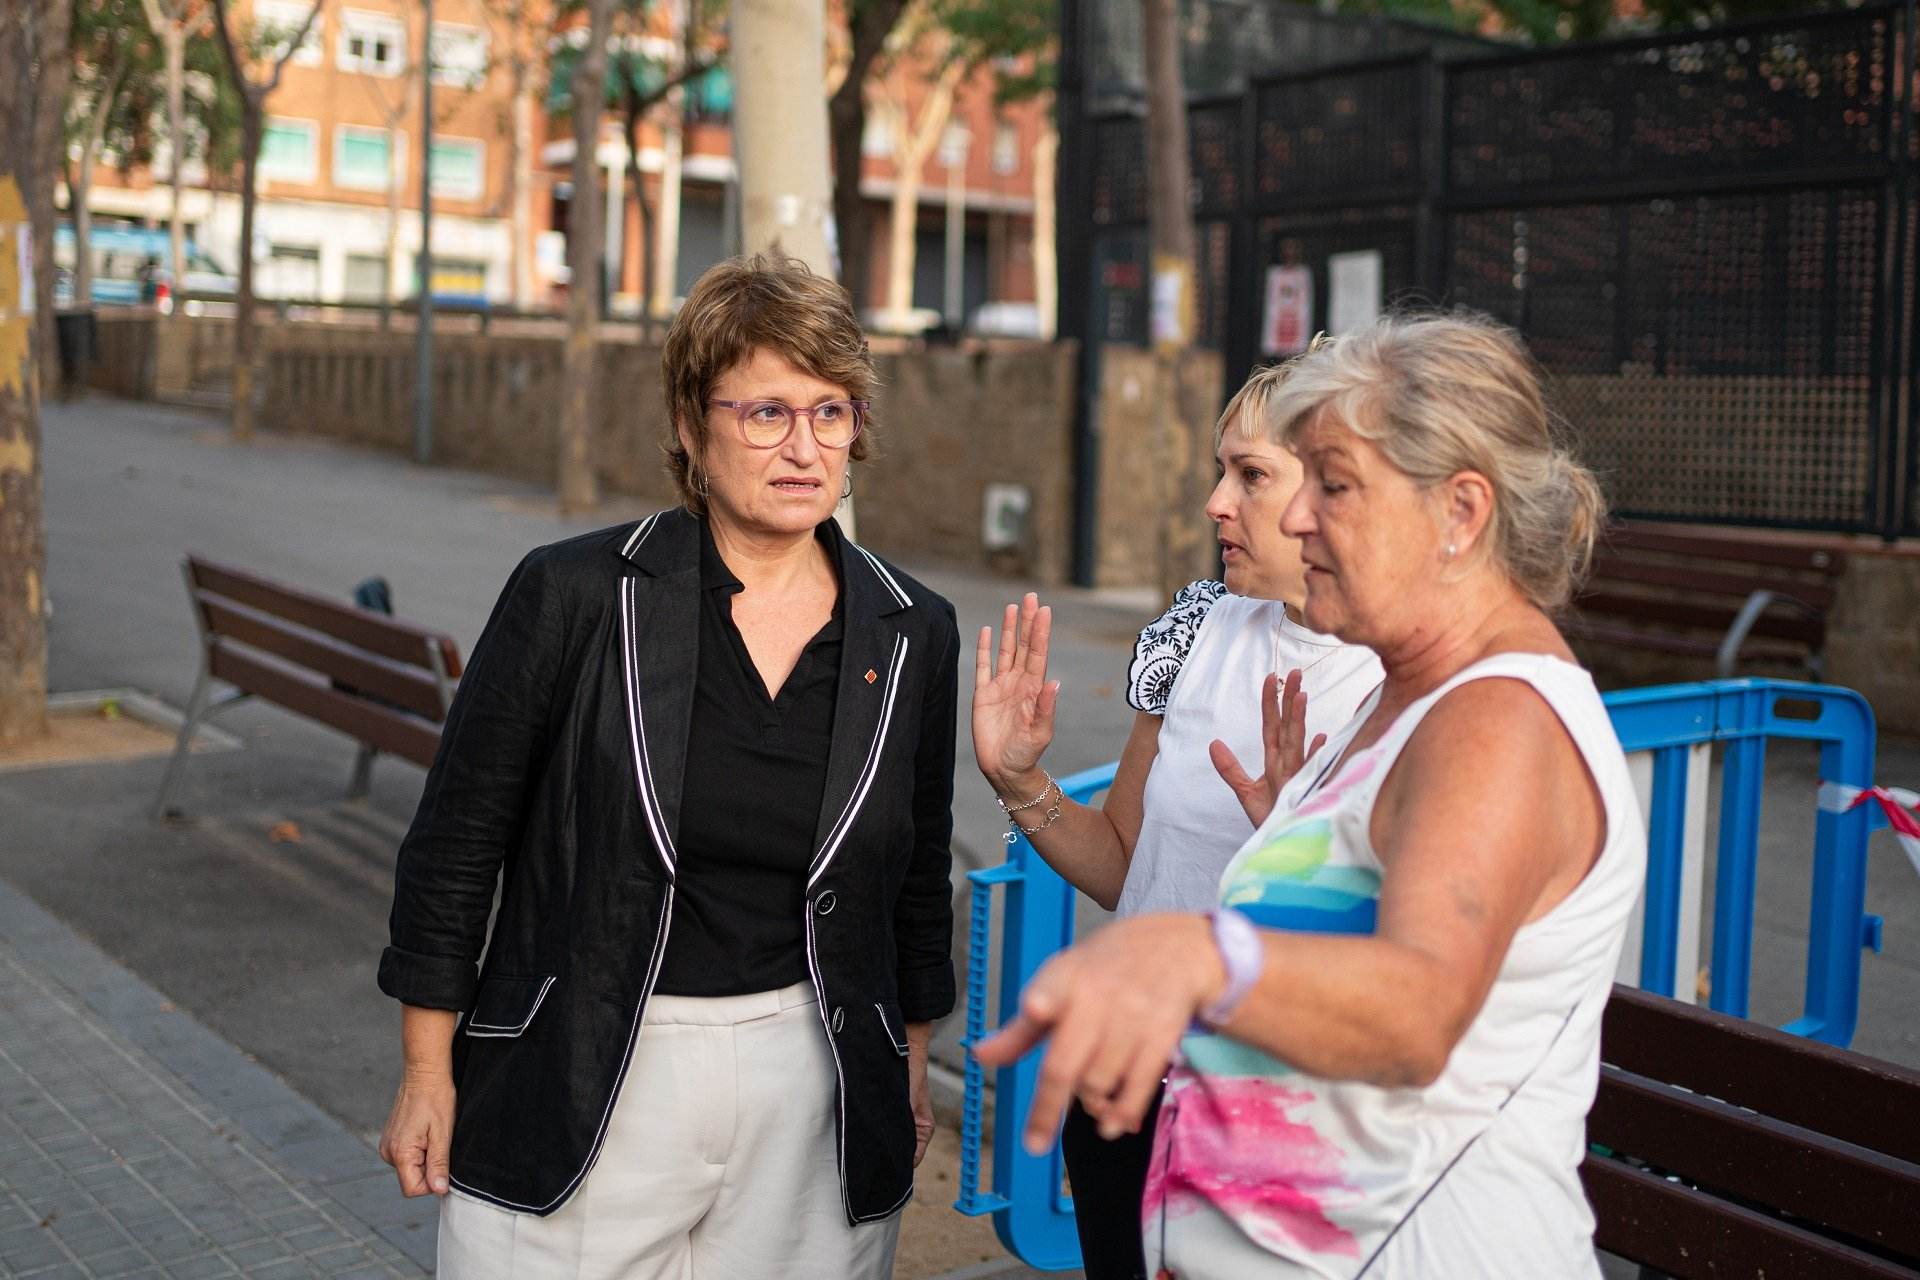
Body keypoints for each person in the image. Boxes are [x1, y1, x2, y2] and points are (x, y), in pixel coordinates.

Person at [976, 312, 1647, 1279]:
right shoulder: (1408, 694)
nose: (1292, 517)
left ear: (1459, 515)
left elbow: (1419, 1013)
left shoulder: (1497, 720)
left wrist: (1194, 951)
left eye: (1331, 486)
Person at [375, 252, 961, 1280]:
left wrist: (905, 1060)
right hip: (590, 1056)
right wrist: (429, 1067)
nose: (804, 446)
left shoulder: (911, 627)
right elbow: (457, 843)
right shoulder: (574, 594)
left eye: (832, 412)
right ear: (692, 427)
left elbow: (911, 882)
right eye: (766, 412)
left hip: (811, 1078)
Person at [972, 365, 1381, 1279]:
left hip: (1273, 1115)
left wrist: (1295, 850)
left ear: (1337, 490)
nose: (1214, 503)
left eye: (1250, 476)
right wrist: (1017, 776)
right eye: (1219, 472)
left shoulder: (1396, 684)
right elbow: (1127, 865)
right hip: (1130, 1088)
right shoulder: (1199, 631)